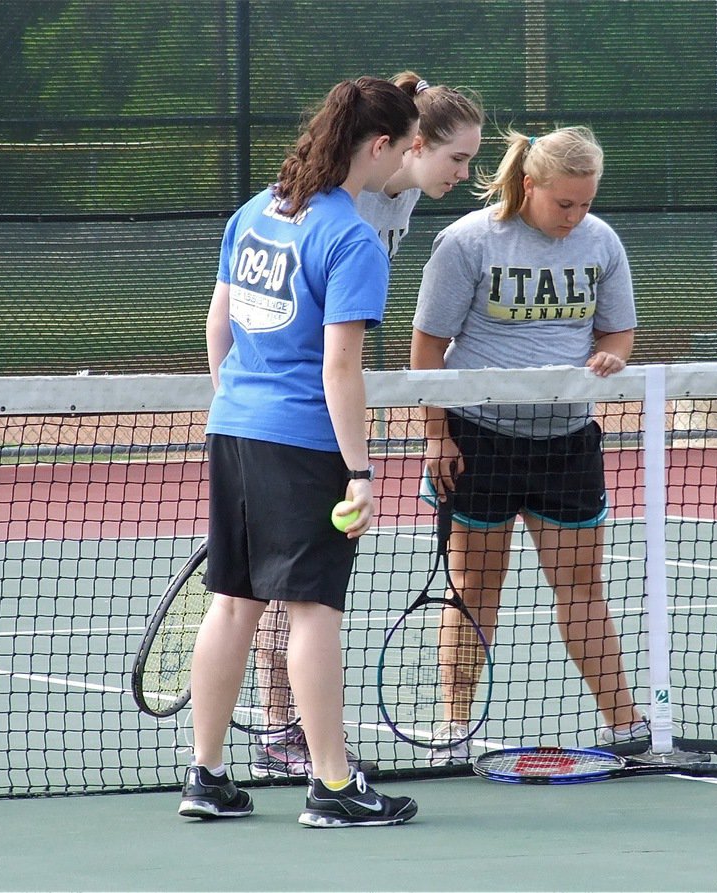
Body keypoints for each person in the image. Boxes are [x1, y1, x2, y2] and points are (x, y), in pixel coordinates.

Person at [178, 76, 422, 828]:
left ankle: (207, 778)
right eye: (407, 146)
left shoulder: (256, 210)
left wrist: (239, 402)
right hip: (306, 444)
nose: (408, 161)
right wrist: (360, 470)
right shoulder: (351, 236)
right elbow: (340, 368)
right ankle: (333, 785)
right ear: (377, 146)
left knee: (234, 602)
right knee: (315, 608)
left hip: (236, 427)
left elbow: (217, 326)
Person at [249, 71, 484, 780]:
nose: (465, 174)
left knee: (282, 590)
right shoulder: (323, 204)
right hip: (291, 405)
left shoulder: (404, 193)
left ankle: (280, 738)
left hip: (315, 396)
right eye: (456, 158)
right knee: (287, 593)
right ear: (408, 145)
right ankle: (280, 729)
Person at [411, 125, 648, 764]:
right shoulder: (465, 242)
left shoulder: (602, 243)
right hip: (478, 440)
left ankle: (627, 729)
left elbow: (619, 333)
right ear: (528, 185)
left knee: (581, 589)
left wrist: (608, 357)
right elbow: (428, 349)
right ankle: (452, 732)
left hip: (567, 441)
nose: (575, 217)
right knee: (473, 591)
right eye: (563, 203)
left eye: (586, 203)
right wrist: (437, 436)